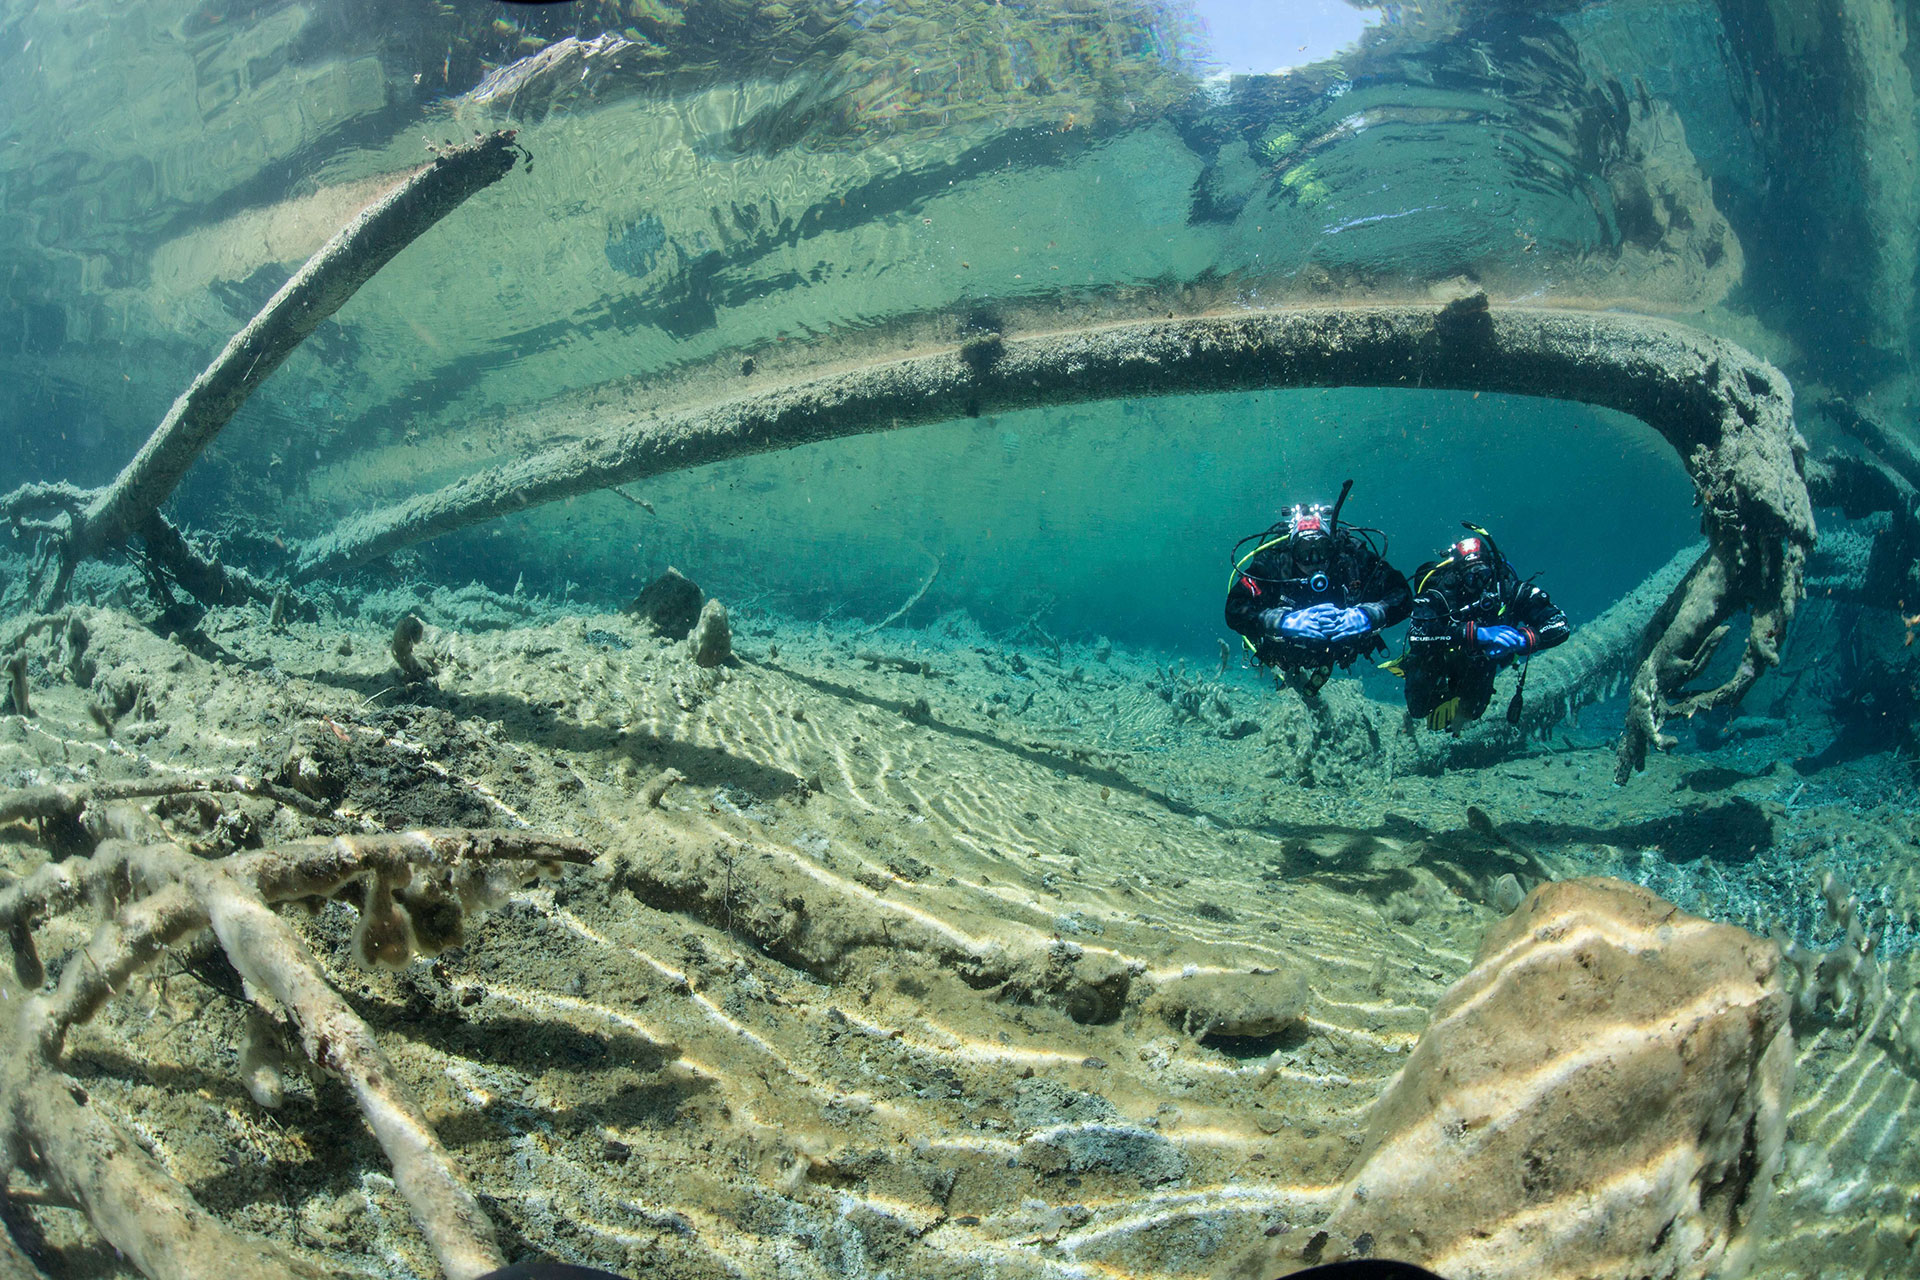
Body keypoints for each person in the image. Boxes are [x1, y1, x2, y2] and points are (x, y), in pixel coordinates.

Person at [1225, 480, 1413, 694]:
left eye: (1322, 549)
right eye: (1304, 552)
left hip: (1338, 652)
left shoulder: (1351, 559)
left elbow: (1402, 594)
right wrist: (1278, 620)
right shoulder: (1274, 563)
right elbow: (1234, 607)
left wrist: (1370, 614)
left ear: (1333, 548)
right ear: (1292, 551)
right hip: (1284, 653)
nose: (1314, 560)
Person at [1399, 524, 1569, 730]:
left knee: (1472, 712)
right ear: (1458, 576)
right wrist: (1475, 633)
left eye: (1483, 574)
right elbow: (1417, 634)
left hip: (1480, 663)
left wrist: (1524, 639)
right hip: (1437, 656)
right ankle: (1432, 684)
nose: (1479, 583)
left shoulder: (1508, 590)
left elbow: (1559, 623)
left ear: (1494, 570)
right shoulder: (1442, 592)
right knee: (1418, 708)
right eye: (1471, 577)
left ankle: (1457, 705)